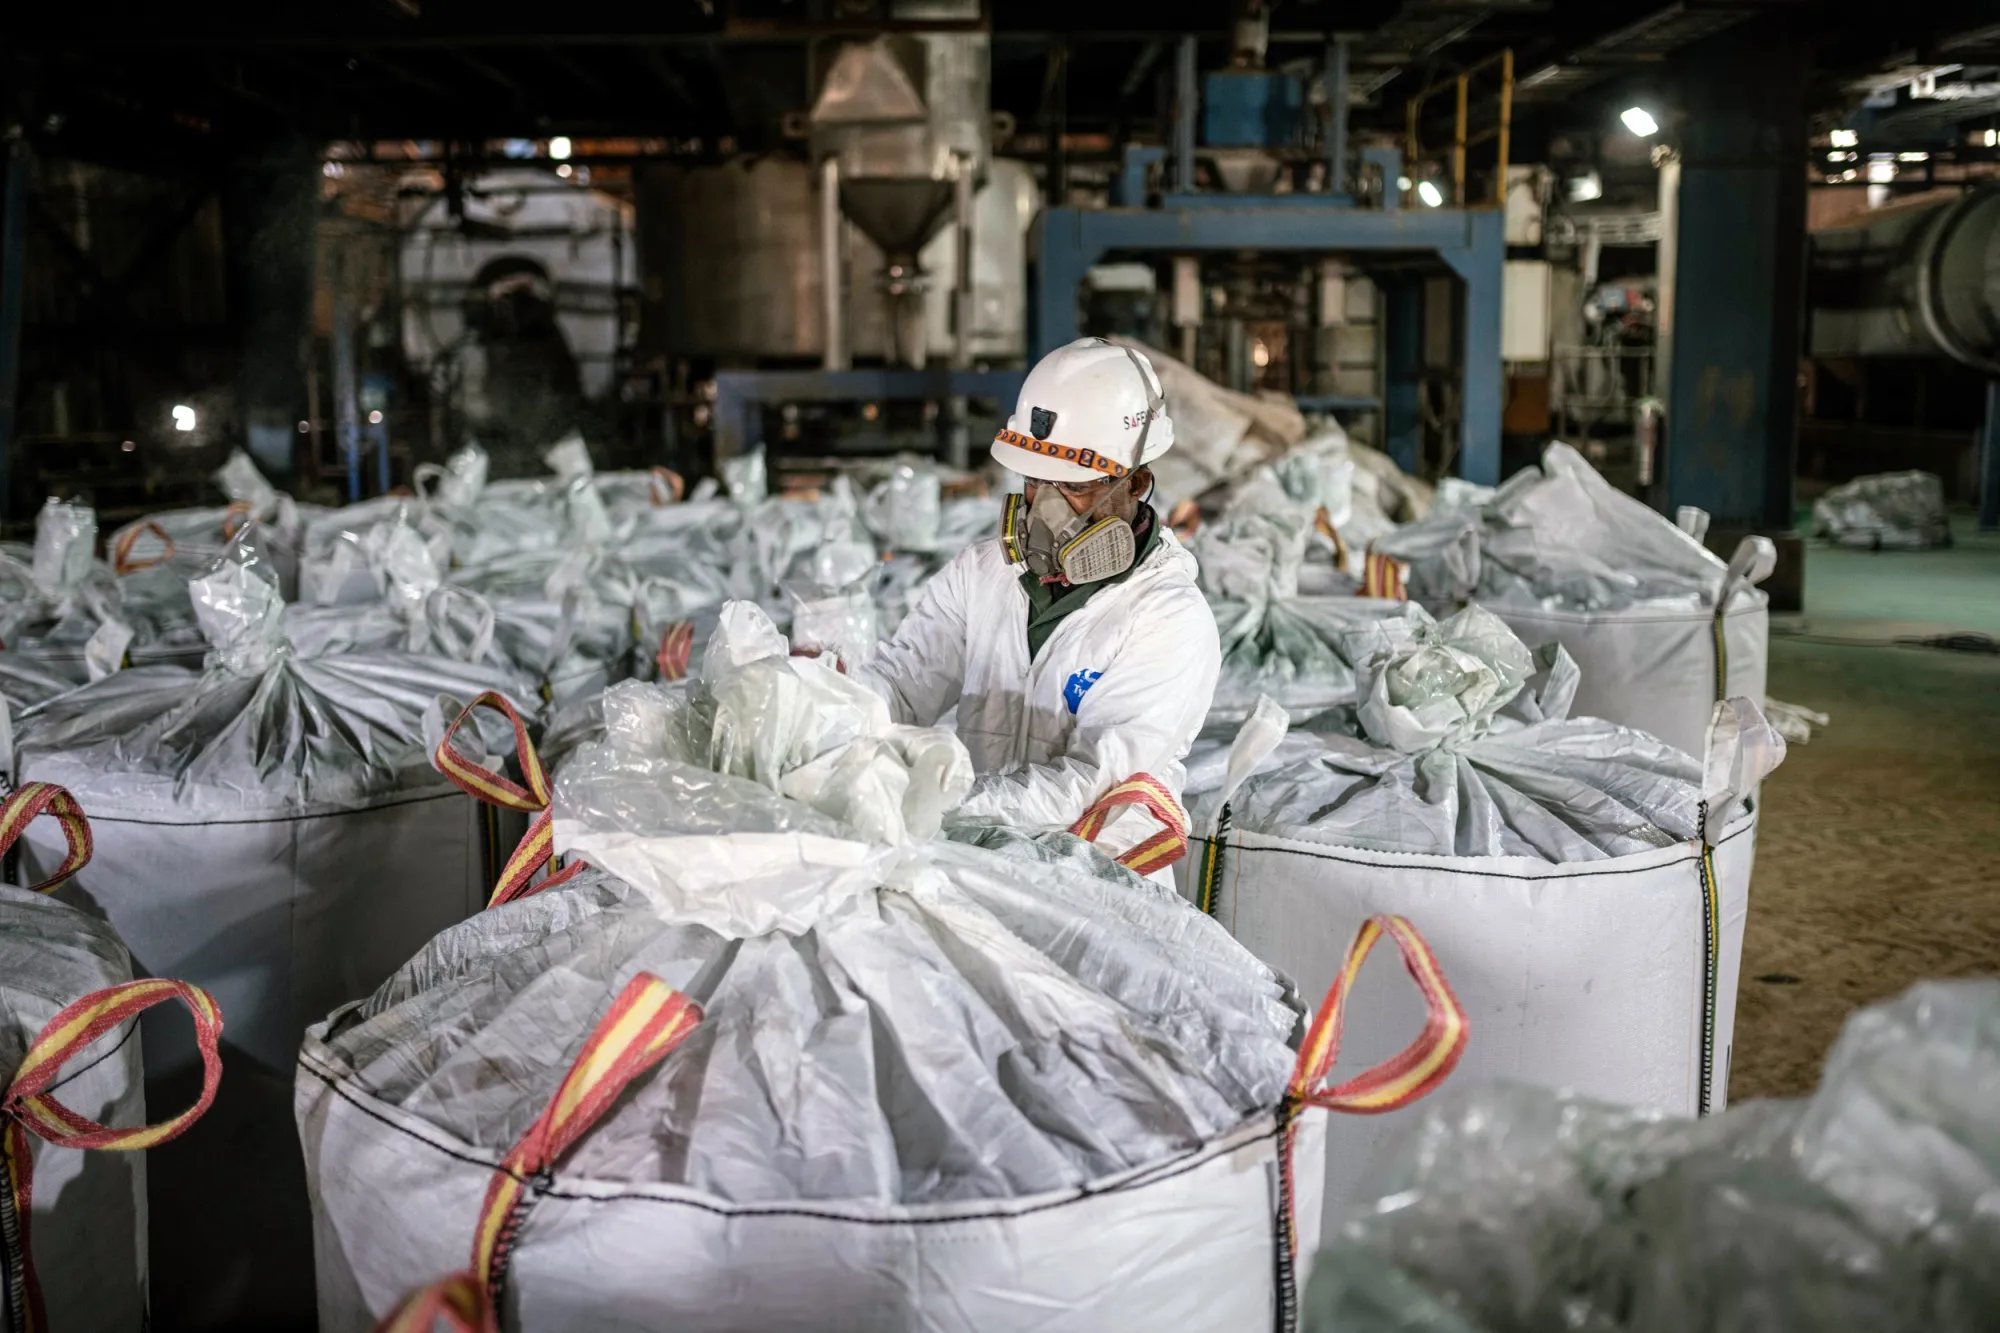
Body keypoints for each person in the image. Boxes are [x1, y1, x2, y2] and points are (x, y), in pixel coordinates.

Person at [850, 338, 1221, 875]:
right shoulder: (982, 574)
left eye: (1073, 486)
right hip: (975, 863)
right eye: (1033, 479)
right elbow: (903, 684)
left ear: (1136, 483)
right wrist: (827, 725)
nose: (1043, 511)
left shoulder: (1167, 618)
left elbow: (1089, 783)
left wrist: (937, 804)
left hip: (1100, 889)